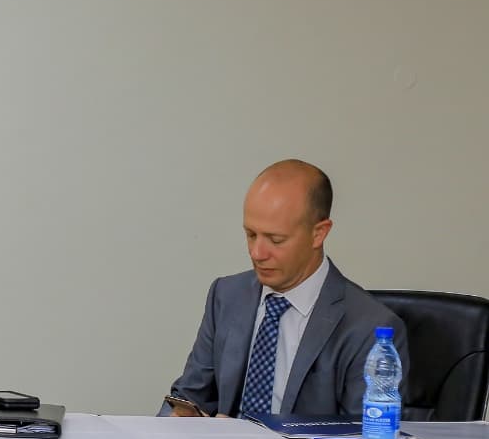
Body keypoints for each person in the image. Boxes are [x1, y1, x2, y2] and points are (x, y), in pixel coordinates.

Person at [165, 159, 407, 418]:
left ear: (319, 233)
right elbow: (190, 395)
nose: (257, 253)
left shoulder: (369, 328)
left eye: (275, 240)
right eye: (251, 234)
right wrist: (176, 424)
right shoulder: (227, 295)